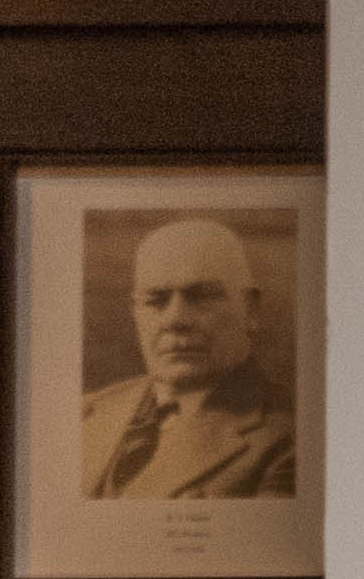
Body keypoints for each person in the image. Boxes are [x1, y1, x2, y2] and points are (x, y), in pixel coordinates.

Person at [75, 214, 298, 506]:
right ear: (135, 312)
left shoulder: (293, 439)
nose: (175, 320)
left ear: (250, 310)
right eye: (155, 300)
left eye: (201, 297)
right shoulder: (85, 413)